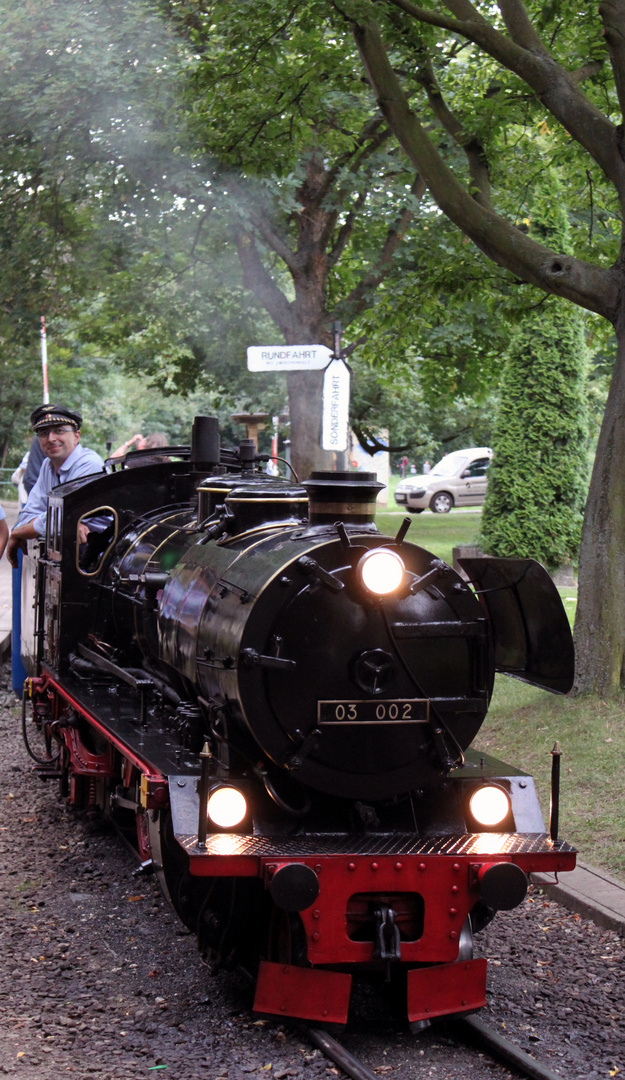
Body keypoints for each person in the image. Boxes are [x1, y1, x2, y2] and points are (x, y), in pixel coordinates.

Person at [6, 405, 105, 569]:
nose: (51, 438)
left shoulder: (89, 464)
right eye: (44, 433)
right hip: (70, 557)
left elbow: (64, 516)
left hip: (100, 560)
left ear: (76, 436)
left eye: (59, 431)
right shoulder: (48, 465)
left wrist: (19, 532)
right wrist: (58, 523)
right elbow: (29, 514)